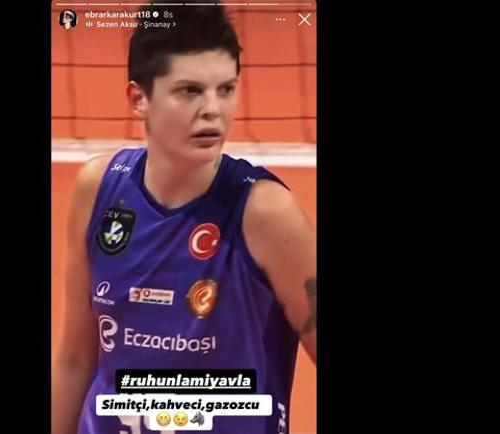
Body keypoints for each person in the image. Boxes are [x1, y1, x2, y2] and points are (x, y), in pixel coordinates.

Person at [52, 4, 316, 433]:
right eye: (190, 91)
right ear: (139, 98)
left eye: (226, 89)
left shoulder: (265, 213)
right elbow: (75, 359)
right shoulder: (98, 189)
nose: (213, 109)